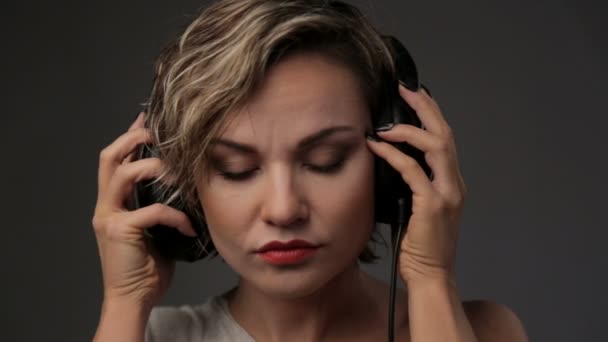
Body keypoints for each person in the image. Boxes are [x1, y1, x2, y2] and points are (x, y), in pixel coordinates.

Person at [92, 0, 528, 341]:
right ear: (181, 190)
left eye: (326, 161)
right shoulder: (145, 336)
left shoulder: (483, 332)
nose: (283, 210)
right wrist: (125, 303)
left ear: (392, 167)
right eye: (237, 169)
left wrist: (433, 283)